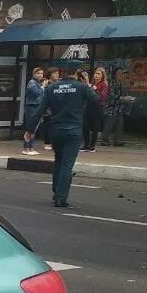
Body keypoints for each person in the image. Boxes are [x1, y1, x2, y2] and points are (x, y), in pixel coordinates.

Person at [30, 69, 100, 208]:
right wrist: (87, 84)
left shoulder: (52, 87)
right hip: (73, 130)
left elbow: (41, 109)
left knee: (58, 161)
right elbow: (95, 100)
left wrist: (30, 128)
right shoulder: (81, 87)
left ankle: (56, 192)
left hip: (55, 130)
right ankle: (61, 197)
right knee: (67, 164)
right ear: (77, 74)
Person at [21, 66, 45, 154]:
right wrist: (43, 87)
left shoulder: (38, 83)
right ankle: (26, 148)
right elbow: (36, 93)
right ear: (34, 74)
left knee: (34, 129)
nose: (40, 75)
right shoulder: (32, 83)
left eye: (42, 73)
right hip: (31, 107)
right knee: (30, 129)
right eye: (38, 73)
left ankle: (31, 148)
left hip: (37, 107)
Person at [103, 67, 129, 146]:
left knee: (120, 123)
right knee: (109, 123)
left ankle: (117, 140)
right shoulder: (112, 82)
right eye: (119, 73)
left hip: (119, 107)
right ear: (115, 74)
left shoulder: (120, 83)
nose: (121, 75)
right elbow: (111, 95)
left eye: (122, 73)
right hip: (111, 106)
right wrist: (121, 98)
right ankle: (105, 140)